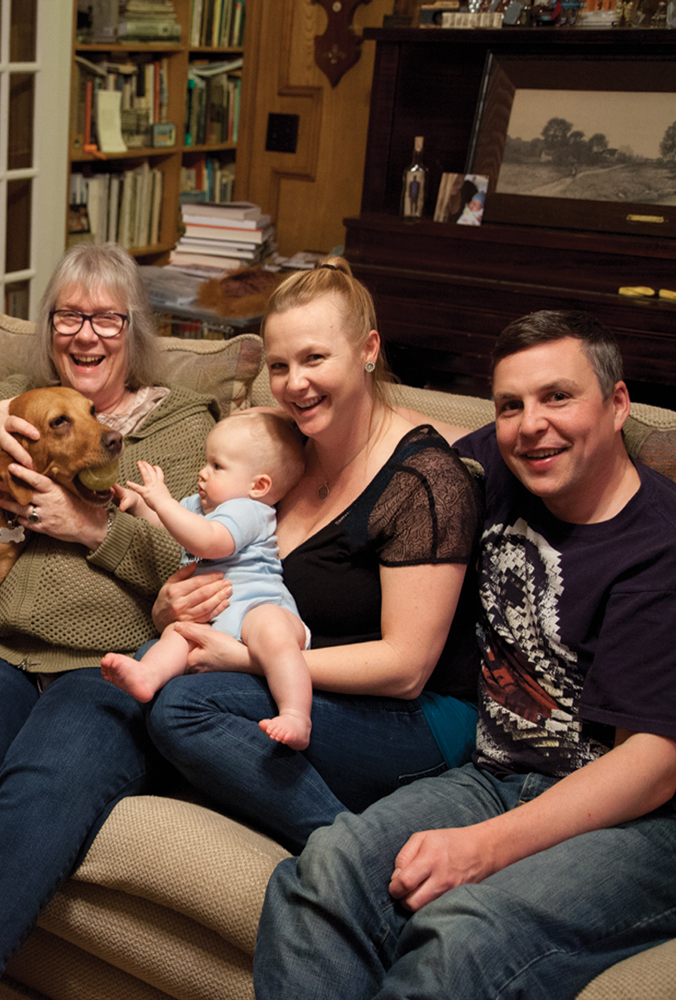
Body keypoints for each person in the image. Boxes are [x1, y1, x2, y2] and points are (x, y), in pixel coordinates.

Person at [255, 310, 676, 1000]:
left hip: (642, 824)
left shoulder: (658, 548)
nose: (531, 424)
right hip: (498, 773)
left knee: (460, 933)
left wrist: (484, 846)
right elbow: (406, 441)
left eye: (558, 397)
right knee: (320, 873)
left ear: (618, 405)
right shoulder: (504, 468)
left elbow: (653, 767)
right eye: (511, 405)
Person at [0, 242, 226, 1000]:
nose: (85, 334)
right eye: (69, 315)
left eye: (105, 318)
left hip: (105, 661)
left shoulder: (183, 425)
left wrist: (90, 527)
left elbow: (196, 568)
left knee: (46, 781)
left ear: (135, 331)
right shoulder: (19, 399)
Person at [144, 258, 481, 853]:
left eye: (314, 358)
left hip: (415, 718)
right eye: (279, 366)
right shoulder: (287, 458)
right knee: (115, 685)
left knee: (183, 708)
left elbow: (406, 670)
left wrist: (250, 659)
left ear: (368, 349)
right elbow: (229, 564)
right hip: (298, 684)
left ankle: (352, 862)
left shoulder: (425, 481)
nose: (294, 383)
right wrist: (171, 607)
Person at [102, 411, 314, 749]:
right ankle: (147, 676)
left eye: (217, 466)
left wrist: (164, 501)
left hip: (258, 606)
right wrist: (141, 506)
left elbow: (209, 541)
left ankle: (296, 714)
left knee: (274, 638)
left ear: (258, 486)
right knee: (176, 634)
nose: (203, 473)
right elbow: (169, 523)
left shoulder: (249, 510)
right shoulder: (204, 507)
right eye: (206, 461)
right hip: (216, 618)